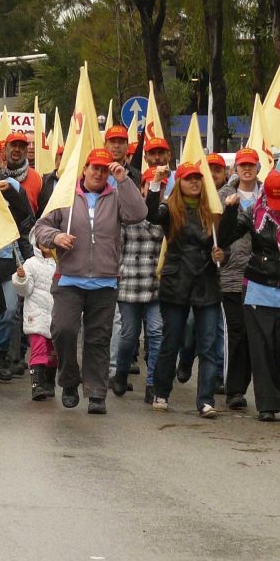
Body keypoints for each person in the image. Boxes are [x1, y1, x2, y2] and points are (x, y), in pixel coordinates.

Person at [34, 148, 147, 415]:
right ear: (84, 169)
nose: (99, 173)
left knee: (98, 339)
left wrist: (124, 181)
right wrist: (55, 237)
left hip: (104, 282)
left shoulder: (116, 195)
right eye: (95, 168)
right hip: (69, 279)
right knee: (63, 331)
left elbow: (138, 213)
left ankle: (96, 392)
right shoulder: (65, 195)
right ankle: (69, 381)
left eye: (104, 169)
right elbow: (40, 227)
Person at [219, 168, 280, 421]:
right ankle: (267, 405)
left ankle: (276, 389)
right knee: (261, 350)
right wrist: (230, 210)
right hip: (258, 289)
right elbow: (225, 237)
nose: (277, 206)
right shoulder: (253, 213)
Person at [147, 162, 224, 418]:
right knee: (171, 341)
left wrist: (221, 254)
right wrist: (155, 183)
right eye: (189, 178)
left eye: (198, 178)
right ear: (179, 183)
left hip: (206, 283)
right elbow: (150, 215)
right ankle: (161, 391)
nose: (194, 182)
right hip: (176, 283)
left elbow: (225, 244)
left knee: (208, 345)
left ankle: (206, 400)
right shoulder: (169, 209)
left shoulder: (212, 211)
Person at [0, 136, 34, 380]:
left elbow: (26, 217)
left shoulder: (11, 184)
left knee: (10, 310)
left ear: (1, 157)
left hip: (8, 256)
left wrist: (12, 194)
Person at [111, 166, 165, 403]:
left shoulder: (167, 213)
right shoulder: (129, 213)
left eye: (161, 186)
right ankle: (121, 372)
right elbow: (117, 247)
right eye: (151, 185)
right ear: (142, 188)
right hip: (130, 282)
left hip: (156, 283)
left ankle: (152, 384)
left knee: (156, 333)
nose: (156, 190)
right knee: (129, 335)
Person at [217, 147, 262, 410]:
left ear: (258, 168)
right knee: (237, 332)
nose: (246, 169)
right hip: (231, 275)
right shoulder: (223, 195)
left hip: (260, 277)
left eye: (251, 165)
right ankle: (234, 390)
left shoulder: (268, 196)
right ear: (235, 169)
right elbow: (215, 231)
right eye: (242, 165)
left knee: (253, 335)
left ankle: (244, 386)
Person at [11, 232, 58, 400]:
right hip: (36, 314)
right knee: (38, 349)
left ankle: (49, 383)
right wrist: (21, 278)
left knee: (53, 351)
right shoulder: (30, 264)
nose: (46, 244)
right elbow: (25, 290)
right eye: (42, 240)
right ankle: (37, 385)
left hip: (56, 313)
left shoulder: (62, 263)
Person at [4, 132, 42, 212]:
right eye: (13, 145)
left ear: (26, 151)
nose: (17, 149)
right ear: (5, 149)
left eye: (21, 146)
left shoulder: (37, 178)